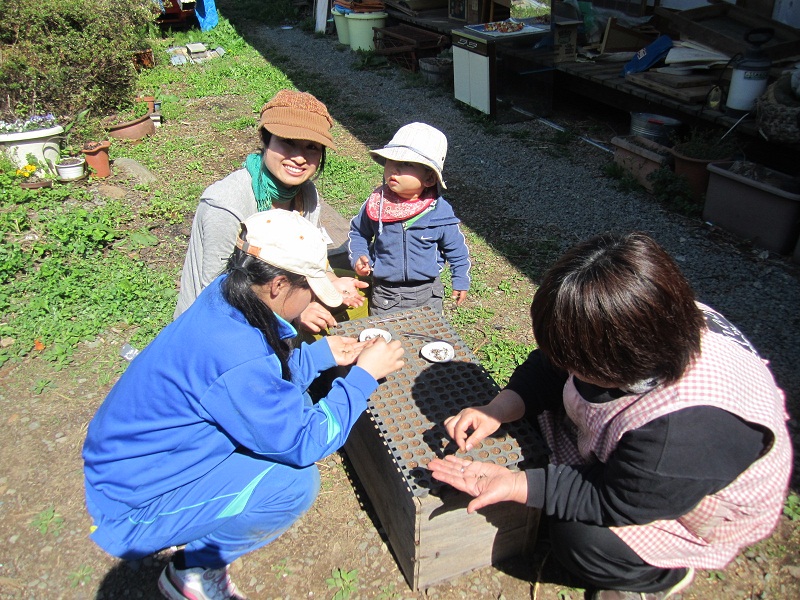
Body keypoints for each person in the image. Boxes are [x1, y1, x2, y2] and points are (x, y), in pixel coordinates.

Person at [428, 232, 792, 600]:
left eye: (576, 364)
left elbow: (616, 497)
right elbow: (552, 366)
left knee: (580, 540)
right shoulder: (641, 317)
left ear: (621, 366)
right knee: (531, 425)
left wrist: (517, 485)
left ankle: (660, 575)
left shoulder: (686, 430)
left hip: (679, 498)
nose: (565, 368)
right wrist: (500, 408)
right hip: (653, 463)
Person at [83, 210, 405, 600]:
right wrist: (363, 377)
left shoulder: (227, 292)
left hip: (131, 459)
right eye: (309, 289)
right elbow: (305, 440)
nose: (312, 299)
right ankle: (193, 570)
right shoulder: (236, 352)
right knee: (293, 485)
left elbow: (256, 380)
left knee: (281, 444)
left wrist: (318, 356)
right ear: (279, 284)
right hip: (132, 501)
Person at [174, 89, 367, 332]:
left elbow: (305, 259)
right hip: (215, 328)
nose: (299, 158)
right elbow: (218, 293)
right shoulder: (226, 205)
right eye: (288, 142)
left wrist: (331, 281)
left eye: (311, 147)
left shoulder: (306, 194)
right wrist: (295, 311)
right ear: (265, 140)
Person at [347, 122, 471, 315]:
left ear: (429, 178)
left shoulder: (439, 212)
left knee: (428, 332)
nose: (394, 169)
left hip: (428, 292)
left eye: (407, 164)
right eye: (391, 161)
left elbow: (456, 250)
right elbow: (358, 233)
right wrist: (359, 255)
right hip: (385, 293)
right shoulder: (377, 204)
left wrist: (461, 279)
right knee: (385, 332)